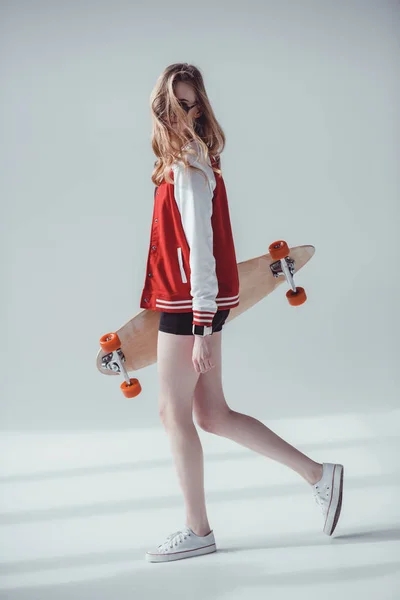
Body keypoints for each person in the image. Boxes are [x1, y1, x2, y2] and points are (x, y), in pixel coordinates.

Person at [140, 63, 344, 563]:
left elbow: (202, 251)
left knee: (174, 413)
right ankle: (320, 476)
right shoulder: (189, 161)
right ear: (161, 106)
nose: (186, 112)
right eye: (177, 103)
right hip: (190, 303)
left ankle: (198, 529)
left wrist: (205, 324)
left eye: (193, 103)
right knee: (211, 413)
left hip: (190, 306)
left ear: (201, 107)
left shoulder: (189, 165)